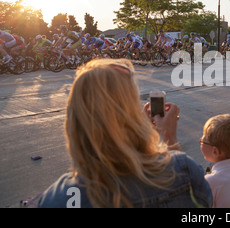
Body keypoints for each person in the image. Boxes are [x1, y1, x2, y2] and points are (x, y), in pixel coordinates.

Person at [37, 59, 212, 208]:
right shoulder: (182, 170)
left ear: (74, 118)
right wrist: (169, 139)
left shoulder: (55, 198)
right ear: (131, 113)